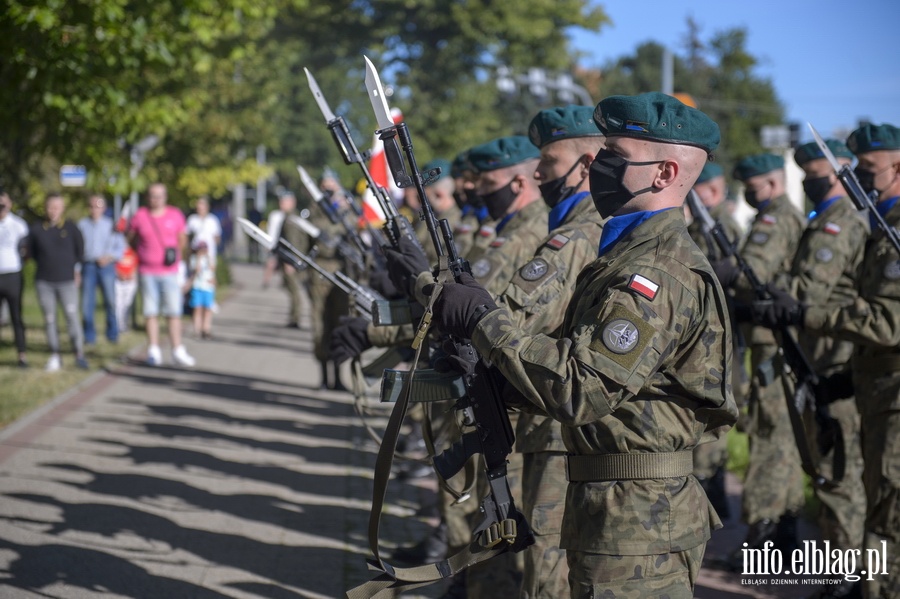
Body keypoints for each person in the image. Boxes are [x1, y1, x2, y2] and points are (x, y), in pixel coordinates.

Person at [429, 92, 737, 598]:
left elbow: (582, 387)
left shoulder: (654, 270)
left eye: (617, 156)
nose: (602, 166)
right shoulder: (628, 254)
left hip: (640, 520)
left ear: (663, 174)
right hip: (614, 505)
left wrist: (487, 321)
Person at [755, 123, 900, 598]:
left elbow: (888, 319)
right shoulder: (879, 226)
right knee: (871, 495)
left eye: (869, 168)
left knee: (876, 499)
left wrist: (802, 310)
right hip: (867, 382)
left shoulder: (881, 227)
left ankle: (858, 581)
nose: (859, 176)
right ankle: (855, 580)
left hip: (886, 391)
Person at [714, 153, 807, 562]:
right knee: (779, 436)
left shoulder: (775, 218)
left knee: (770, 436)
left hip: (775, 342)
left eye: (752, 188)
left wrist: (714, 270)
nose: (749, 196)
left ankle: (763, 539)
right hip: (772, 340)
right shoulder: (782, 215)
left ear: (770, 184)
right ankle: (783, 530)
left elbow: (752, 268)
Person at [687, 161, 745, 521]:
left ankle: (712, 495)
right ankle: (714, 494)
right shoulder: (700, 224)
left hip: (722, 335)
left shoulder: (725, 225)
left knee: (712, 409)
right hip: (707, 333)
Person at [127, 182, 195, 367]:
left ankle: (177, 349)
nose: (156, 199)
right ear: (147, 197)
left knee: (174, 312)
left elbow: (182, 239)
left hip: (169, 272)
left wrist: (175, 258)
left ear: (165, 197)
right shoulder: (140, 216)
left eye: (159, 195)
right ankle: (153, 350)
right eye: (152, 196)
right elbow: (131, 239)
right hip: (147, 272)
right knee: (151, 312)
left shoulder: (175, 214)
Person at [28, 193, 88, 371]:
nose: (53, 211)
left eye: (57, 207)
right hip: (44, 281)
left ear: (62, 208)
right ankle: (55, 355)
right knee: (50, 319)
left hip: (67, 281)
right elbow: (33, 253)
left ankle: (79, 354)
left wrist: (76, 271)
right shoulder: (37, 229)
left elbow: (80, 252)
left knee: (72, 317)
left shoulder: (71, 228)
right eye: (50, 207)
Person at [78, 194, 125, 345]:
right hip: (88, 266)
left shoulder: (111, 225)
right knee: (86, 304)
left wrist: (109, 257)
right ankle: (89, 336)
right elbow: (77, 250)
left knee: (110, 301)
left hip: (106, 267)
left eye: (98, 206)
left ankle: (112, 334)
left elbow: (120, 247)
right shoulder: (82, 225)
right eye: (92, 206)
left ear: (104, 208)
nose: (95, 209)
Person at [0, 188, 29, 367]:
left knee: (16, 317)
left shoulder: (18, 225)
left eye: (4, 204)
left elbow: (26, 249)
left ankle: (22, 355)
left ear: (10, 204)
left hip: (13, 275)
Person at [188, 240, 216, 339]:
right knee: (197, 309)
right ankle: (197, 329)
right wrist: (199, 258)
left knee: (208, 309)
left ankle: (206, 329)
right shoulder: (194, 259)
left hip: (208, 287)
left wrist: (208, 258)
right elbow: (196, 270)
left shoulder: (209, 258)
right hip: (197, 286)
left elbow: (212, 269)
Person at [186, 196, 222, 260]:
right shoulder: (192, 219)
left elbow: (217, 237)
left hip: (209, 254)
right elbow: (187, 235)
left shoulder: (213, 220)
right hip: (195, 254)